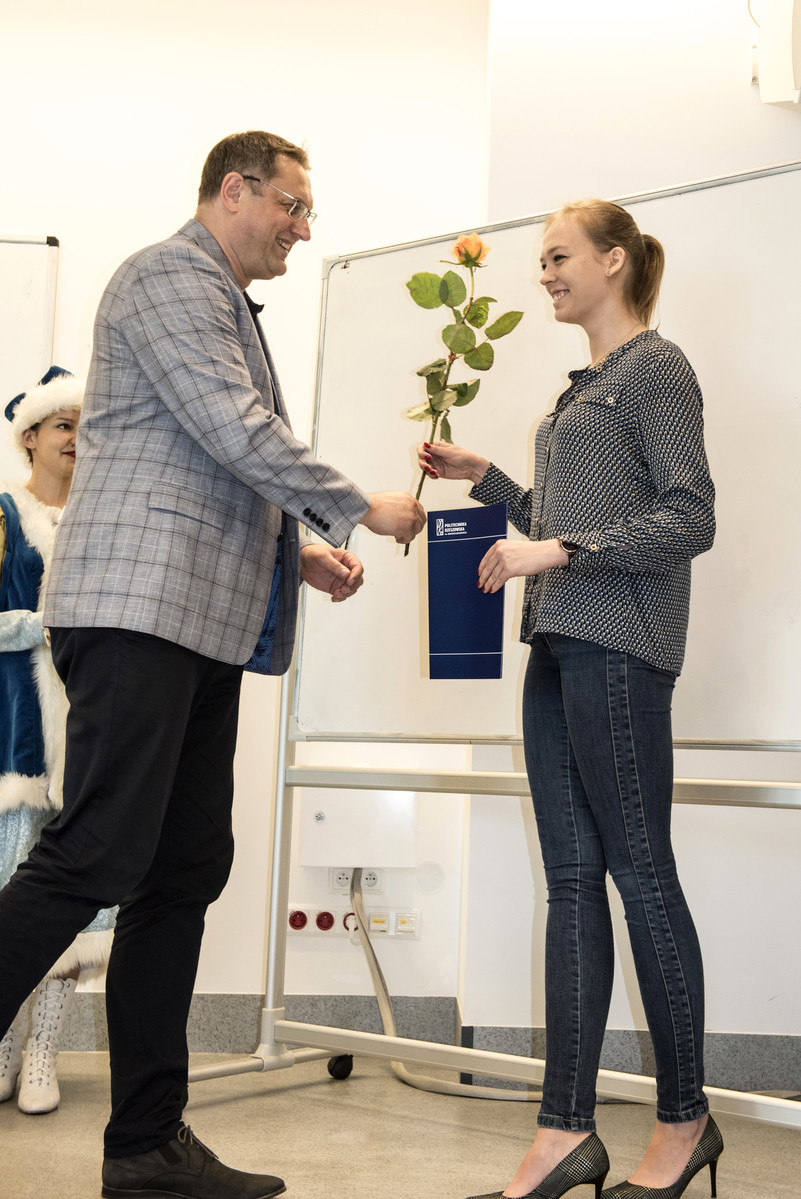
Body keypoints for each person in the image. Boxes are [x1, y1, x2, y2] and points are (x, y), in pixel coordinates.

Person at [0, 130, 425, 1199]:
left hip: (196, 623)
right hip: (136, 612)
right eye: (292, 205)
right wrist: (355, 505)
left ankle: (146, 1145)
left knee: (184, 868)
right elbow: (234, 427)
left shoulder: (222, 298)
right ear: (235, 190)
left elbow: (203, 462)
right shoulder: (167, 275)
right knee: (96, 852)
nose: (303, 228)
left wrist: (298, 553)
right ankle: (146, 1140)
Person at [419, 200, 722, 1199]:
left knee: (641, 875)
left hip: (621, 649)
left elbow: (689, 514)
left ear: (613, 260)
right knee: (572, 884)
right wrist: (489, 480)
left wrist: (552, 548)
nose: (544, 273)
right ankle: (563, 1131)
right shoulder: (582, 390)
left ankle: (684, 1121)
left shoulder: (656, 368)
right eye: (541, 260)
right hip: (556, 646)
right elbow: (565, 519)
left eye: (558, 256)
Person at [0, 368, 116, 1116]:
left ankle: (43, 1051)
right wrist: (42, 626)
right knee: (12, 891)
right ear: (30, 437)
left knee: (79, 898)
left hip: (94, 728)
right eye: (62, 424)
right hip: (15, 737)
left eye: (84, 424)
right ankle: (3, 1045)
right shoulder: (5, 514)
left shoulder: (105, 517)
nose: (76, 437)